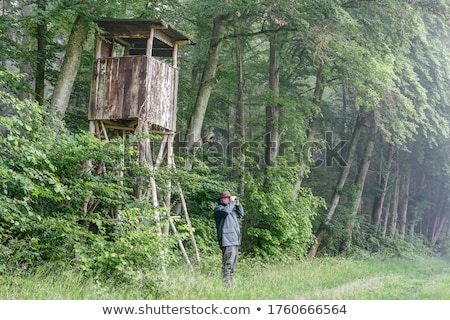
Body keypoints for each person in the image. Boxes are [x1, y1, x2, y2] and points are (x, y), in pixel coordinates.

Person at [214, 190, 244, 287]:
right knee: (228, 263)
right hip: (227, 240)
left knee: (233, 265)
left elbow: (241, 214)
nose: (230, 200)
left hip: (234, 240)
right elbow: (226, 212)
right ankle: (226, 285)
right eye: (228, 198)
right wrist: (231, 203)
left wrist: (237, 203)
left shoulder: (231, 210)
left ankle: (229, 284)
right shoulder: (219, 209)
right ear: (222, 199)